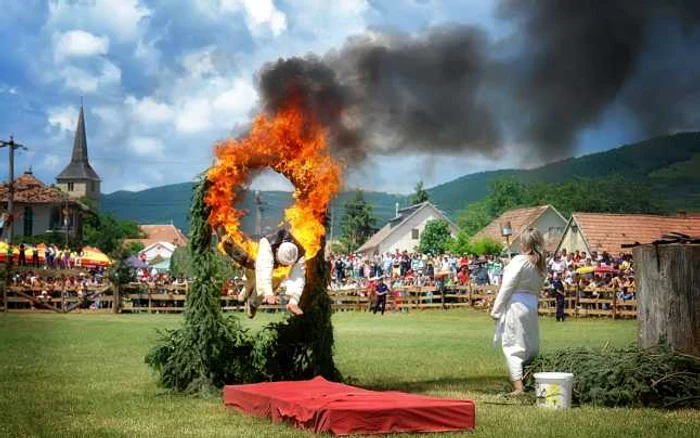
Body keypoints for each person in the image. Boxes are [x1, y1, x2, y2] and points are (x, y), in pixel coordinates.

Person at [490, 228, 547, 396]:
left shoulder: (520, 261)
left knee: (513, 346)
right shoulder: (540, 264)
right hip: (531, 305)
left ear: (526, 243)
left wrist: (496, 309)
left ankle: (518, 387)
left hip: (516, 305)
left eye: (521, 241)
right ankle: (527, 379)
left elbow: (508, 286)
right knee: (529, 345)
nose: (520, 243)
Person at [221, 227, 305, 318]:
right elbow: (264, 270)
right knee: (252, 274)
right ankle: (244, 293)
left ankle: (253, 303)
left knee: (275, 280)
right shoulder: (268, 244)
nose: (282, 266)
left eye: (285, 265)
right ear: (277, 251)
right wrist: (268, 293)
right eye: (281, 262)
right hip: (254, 254)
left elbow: (299, 277)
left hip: (266, 263)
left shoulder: (298, 253)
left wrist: (294, 301)